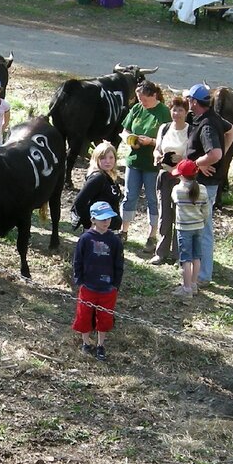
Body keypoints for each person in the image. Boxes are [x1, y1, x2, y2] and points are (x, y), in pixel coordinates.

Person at [184, 83, 233, 287]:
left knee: (203, 228)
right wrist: (215, 158)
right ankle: (200, 270)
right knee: (201, 226)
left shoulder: (206, 125)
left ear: (195, 102)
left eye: (190, 100)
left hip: (204, 184)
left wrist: (198, 163)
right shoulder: (212, 117)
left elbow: (215, 153)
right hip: (206, 182)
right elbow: (232, 130)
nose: (188, 102)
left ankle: (203, 275)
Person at [118, 80, 170, 248]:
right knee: (129, 196)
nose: (141, 102)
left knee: (152, 199)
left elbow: (169, 140)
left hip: (152, 164)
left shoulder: (164, 113)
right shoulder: (137, 108)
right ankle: (123, 230)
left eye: (144, 99)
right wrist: (129, 139)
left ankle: (152, 235)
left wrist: (152, 142)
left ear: (154, 95)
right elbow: (125, 130)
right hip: (134, 160)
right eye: (139, 98)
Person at [72, 200, 124, 362]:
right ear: (93, 219)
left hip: (107, 288)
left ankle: (101, 345)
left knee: (105, 317)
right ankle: (86, 342)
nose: (106, 222)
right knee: (84, 316)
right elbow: (77, 260)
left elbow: (119, 263)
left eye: (108, 219)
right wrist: (79, 279)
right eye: (102, 219)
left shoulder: (115, 240)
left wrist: (115, 284)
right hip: (88, 286)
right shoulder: (85, 239)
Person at [149, 94, 192, 265]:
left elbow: (192, 154)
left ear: (186, 112)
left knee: (180, 215)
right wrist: (157, 155)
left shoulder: (191, 130)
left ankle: (178, 253)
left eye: (180, 110)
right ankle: (161, 252)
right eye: (174, 110)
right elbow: (157, 149)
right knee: (164, 214)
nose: (176, 113)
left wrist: (181, 160)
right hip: (165, 175)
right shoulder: (164, 128)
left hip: (182, 179)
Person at [171, 159, 209, 298]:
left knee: (185, 259)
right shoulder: (203, 190)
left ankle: (186, 289)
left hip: (184, 228)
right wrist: (202, 220)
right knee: (196, 256)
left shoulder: (178, 190)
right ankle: (193, 284)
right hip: (199, 226)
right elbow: (206, 211)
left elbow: (174, 200)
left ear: (181, 176)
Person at [72, 141, 122, 232]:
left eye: (111, 157)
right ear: (96, 159)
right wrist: (91, 223)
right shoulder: (98, 178)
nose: (108, 161)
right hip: (98, 232)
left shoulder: (109, 176)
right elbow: (79, 203)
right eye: (103, 158)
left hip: (109, 230)